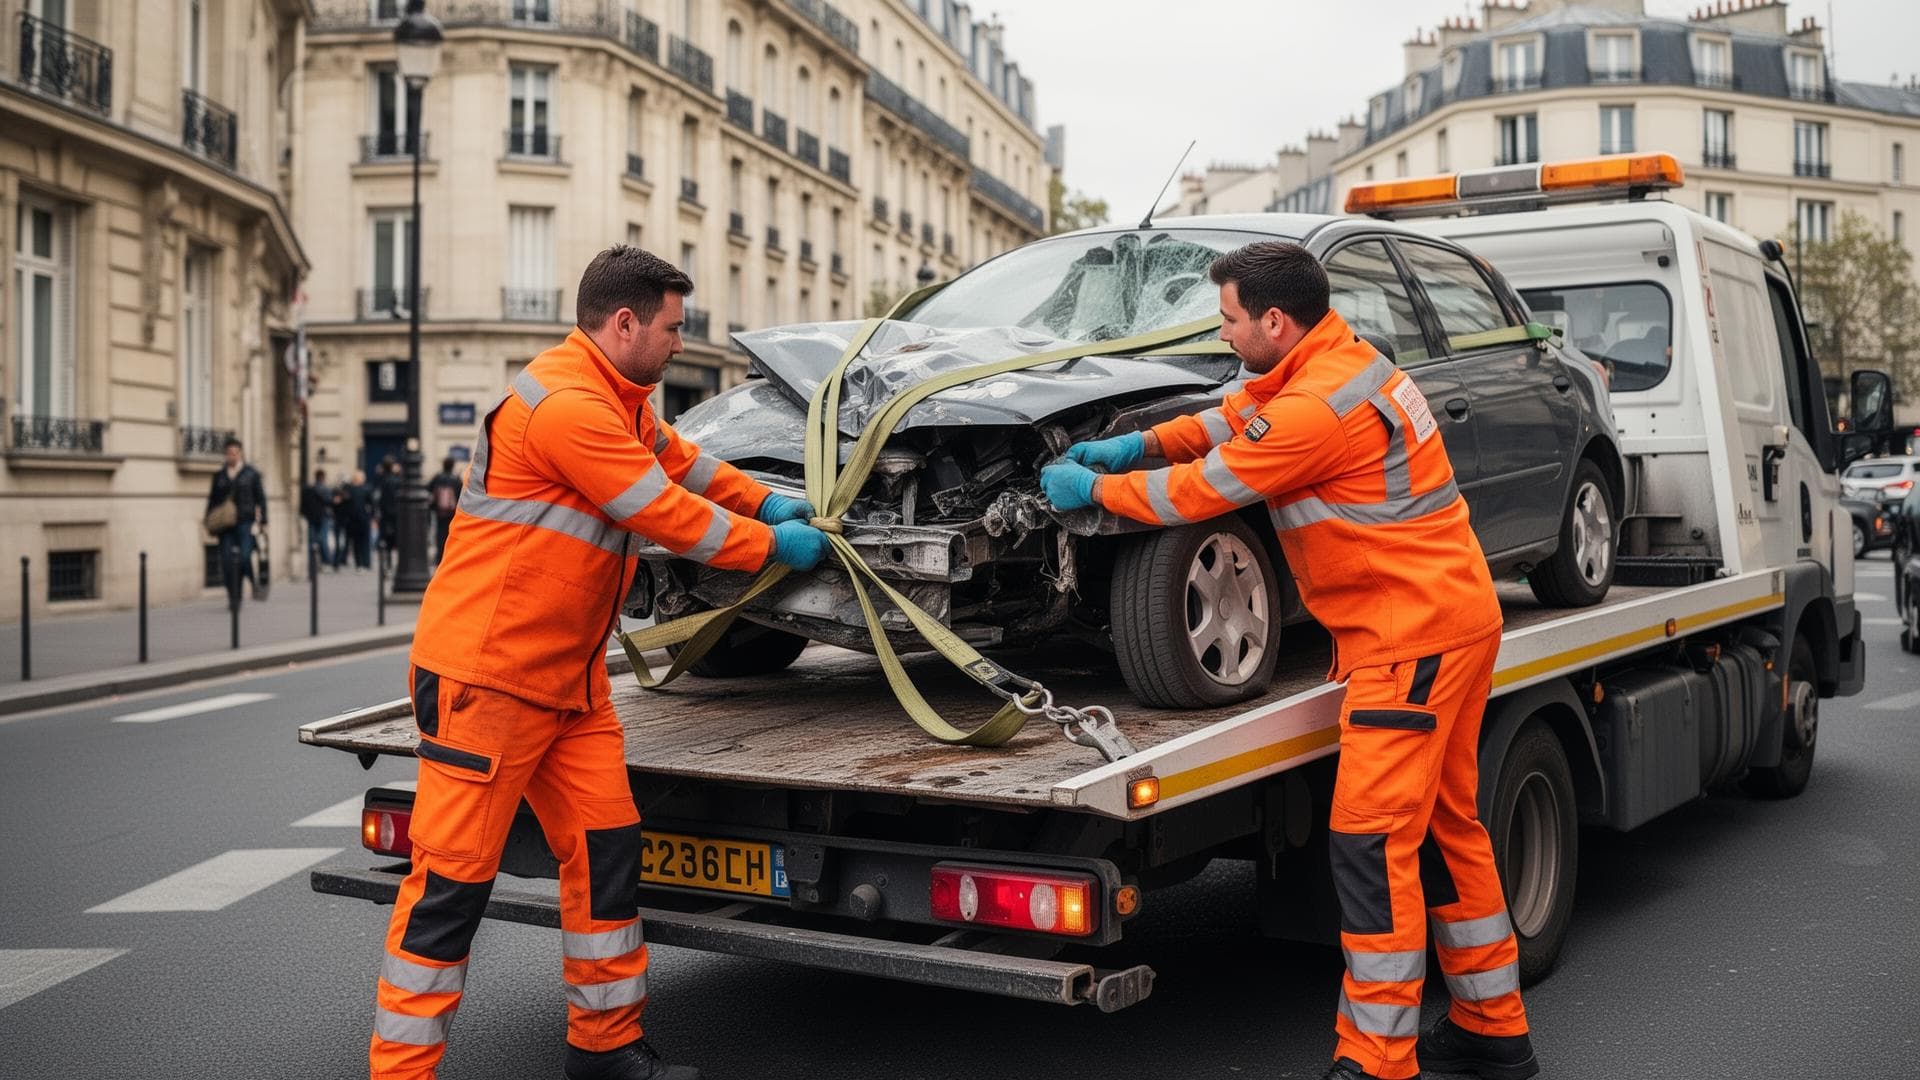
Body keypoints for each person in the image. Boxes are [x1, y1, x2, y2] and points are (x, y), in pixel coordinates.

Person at [1040, 242, 1536, 1080]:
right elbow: (1231, 416)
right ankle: (1494, 1029)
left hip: (1408, 638)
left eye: (1230, 318)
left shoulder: (1315, 411)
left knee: (1371, 844)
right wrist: (1140, 444)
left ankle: (1379, 1060)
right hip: (1447, 620)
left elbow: (1198, 494)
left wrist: (1097, 491)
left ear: (1274, 320)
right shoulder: (1336, 365)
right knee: (1446, 830)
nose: (1224, 333)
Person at [369, 246, 828, 1080]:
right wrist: (775, 546)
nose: (679, 343)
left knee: (609, 854)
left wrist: (764, 496)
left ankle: (605, 1049)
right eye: (671, 327)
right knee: (449, 891)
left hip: (568, 686)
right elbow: (661, 511)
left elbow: (685, 464)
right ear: (624, 324)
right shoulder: (567, 407)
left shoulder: (622, 401)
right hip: (488, 681)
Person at [205, 436, 267, 606]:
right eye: (229, 453)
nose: (232, 456)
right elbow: (212, 501)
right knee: (226, 562)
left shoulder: (251, 474)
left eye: (235, 453)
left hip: (245, 522)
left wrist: (264, 522)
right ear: (226, 454)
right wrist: (208, 522)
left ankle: (253, 583)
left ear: (240, 454)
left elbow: (261, 499)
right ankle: (234, 597)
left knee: (245, 557)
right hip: (225, 525)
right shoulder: (219, 476)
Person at [426, 457, 461, 565]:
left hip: (439, 511)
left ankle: (439, 558)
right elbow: (460, 495)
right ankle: (449, 557)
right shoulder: (456, 479)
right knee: (450, 533)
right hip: (452, 512)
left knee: (439, 534)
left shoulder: (437, 477)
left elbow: (427, 489)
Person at [302, 469, 336, 572]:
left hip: (311, 518)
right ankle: (326, 562)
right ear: (323, 477)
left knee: (312, 541)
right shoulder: (325, 489)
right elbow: (330, 501)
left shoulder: (308, 489)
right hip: (323, 517)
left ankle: (312, 564)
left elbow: (303, 505)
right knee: (323, 540)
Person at [341, 469, 375, 571]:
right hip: (361, 519)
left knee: (358, 543)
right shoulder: (365, 489)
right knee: (363, 542)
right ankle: (365, 563)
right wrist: (371, 516)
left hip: (355, 520)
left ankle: (361, 563)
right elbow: (372, 504)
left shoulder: (350, 490)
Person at [375, 454, 403, 572]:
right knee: (398, 539)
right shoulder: (397, 480)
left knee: (386, 541)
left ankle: (388, 563)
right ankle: (397, 564)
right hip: (397, 514)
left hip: (385, 514)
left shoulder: (382, 480)